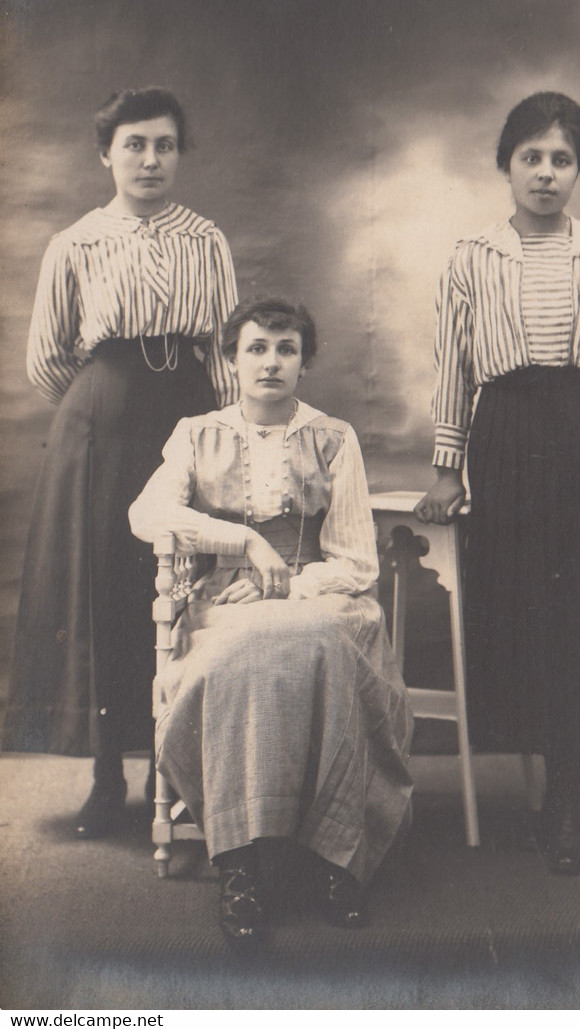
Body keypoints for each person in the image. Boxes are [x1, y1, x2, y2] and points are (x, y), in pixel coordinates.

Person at [415, 92, 580, 875]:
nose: (545, 173)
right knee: (526, 607)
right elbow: (453, 372)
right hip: (508, 438)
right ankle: (541, 786)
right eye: (530, 156)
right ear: (504, 165)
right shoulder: (469, 257)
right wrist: (445, 467)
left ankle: (569, 798)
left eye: (561, 158)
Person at [128, 299, 413, 947]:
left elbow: (355, 560)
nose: (270, 361)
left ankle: (334, 860)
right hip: (227, 598)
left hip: (321, 595)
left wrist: (292, 583)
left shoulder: (332, 437)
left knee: (325, 645)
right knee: (230, 656)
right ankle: (238, 864)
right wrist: (241, 543)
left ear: (304, 364)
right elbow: (146, 512)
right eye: (256, 347)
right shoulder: (196, 433)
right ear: (231, 360)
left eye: (286, 348)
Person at [2, 87, 239, 840]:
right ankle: (108, 778)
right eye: (134, 144)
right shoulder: (77, 242)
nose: (149, 159)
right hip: (103, 423)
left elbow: (228, 350)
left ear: (179, 154)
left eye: (164, 145)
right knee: (107, 591)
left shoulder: (207, 239)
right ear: (105, 152)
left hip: (190, 412)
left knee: (188, 587)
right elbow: (47, 359)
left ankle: (172, 774)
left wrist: (221, 432)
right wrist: (105, 404)